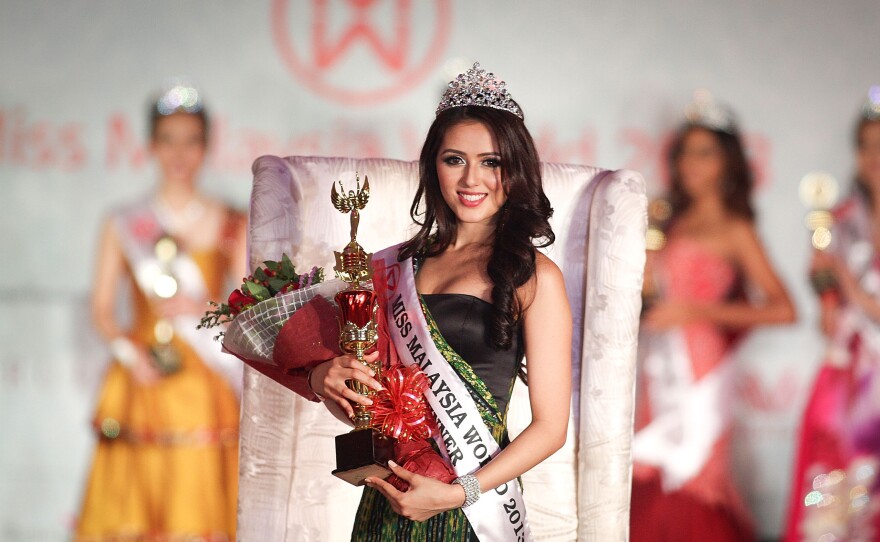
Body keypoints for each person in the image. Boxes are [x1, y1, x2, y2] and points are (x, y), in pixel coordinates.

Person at [306, 63, 572, 541]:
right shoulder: (393, 268)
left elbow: (551, 427)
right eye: (455, 160)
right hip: (389, 497)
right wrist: (324, 379)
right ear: (434, 165)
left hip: (472, 504)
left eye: (491, 161)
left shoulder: (535, 275)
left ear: (515, 168)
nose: (472, 179)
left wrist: (458, 493)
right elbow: (367, 401)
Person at [76, 83, 246, 541]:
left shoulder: (232, 221)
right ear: (151, 145)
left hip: (205, 383)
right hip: (142, 380)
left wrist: (204, 309)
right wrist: (132, 358)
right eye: (168, 140)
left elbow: (253, 309)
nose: (179, 153)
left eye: (191, 140)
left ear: (206, 146)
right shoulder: (123, 222)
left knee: (198, 513)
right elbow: (101, 309)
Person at [630, 92, 796, 542]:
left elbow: (785, 309)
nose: (691, 163)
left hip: (702, 368)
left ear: (727, 161)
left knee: (689, 470)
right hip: (658, 358)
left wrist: (696, 311)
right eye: (685, 152)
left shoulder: (735, 227)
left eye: (704, 152)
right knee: (650, 467)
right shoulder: (670, 220)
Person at [784, 90, 880, 542]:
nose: (873, 156)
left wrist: (842, 276)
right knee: (832, 483)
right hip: (846, 371)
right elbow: (828, 317)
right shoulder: (839, 219)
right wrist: (824, 287)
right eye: (866, 145)